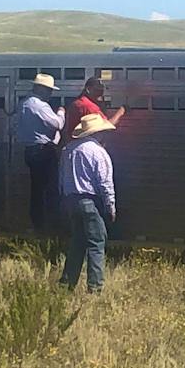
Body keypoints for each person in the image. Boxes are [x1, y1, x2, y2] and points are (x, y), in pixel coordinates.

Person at [57, 113, 116, 294]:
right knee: (97, 242)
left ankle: (67, 284)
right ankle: (95, 287)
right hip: (90, 201)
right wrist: (110, 206)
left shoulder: (68, 150)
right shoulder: (98, 152)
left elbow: (61, 178)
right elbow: (105, 182)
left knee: (77, 242)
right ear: (98, 133)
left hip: (70, 200)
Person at [16, 75, 64, 232]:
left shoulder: (23, 103)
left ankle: (37, 222)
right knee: (50, 188)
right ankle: (50, 224)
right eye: (49, 90)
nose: (50, 94)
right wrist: (61, 112)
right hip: (43, 150)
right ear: (41, 89)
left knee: (37, 189)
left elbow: (13, 127)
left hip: (30, 150)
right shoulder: (40, 105)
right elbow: (57, 124)